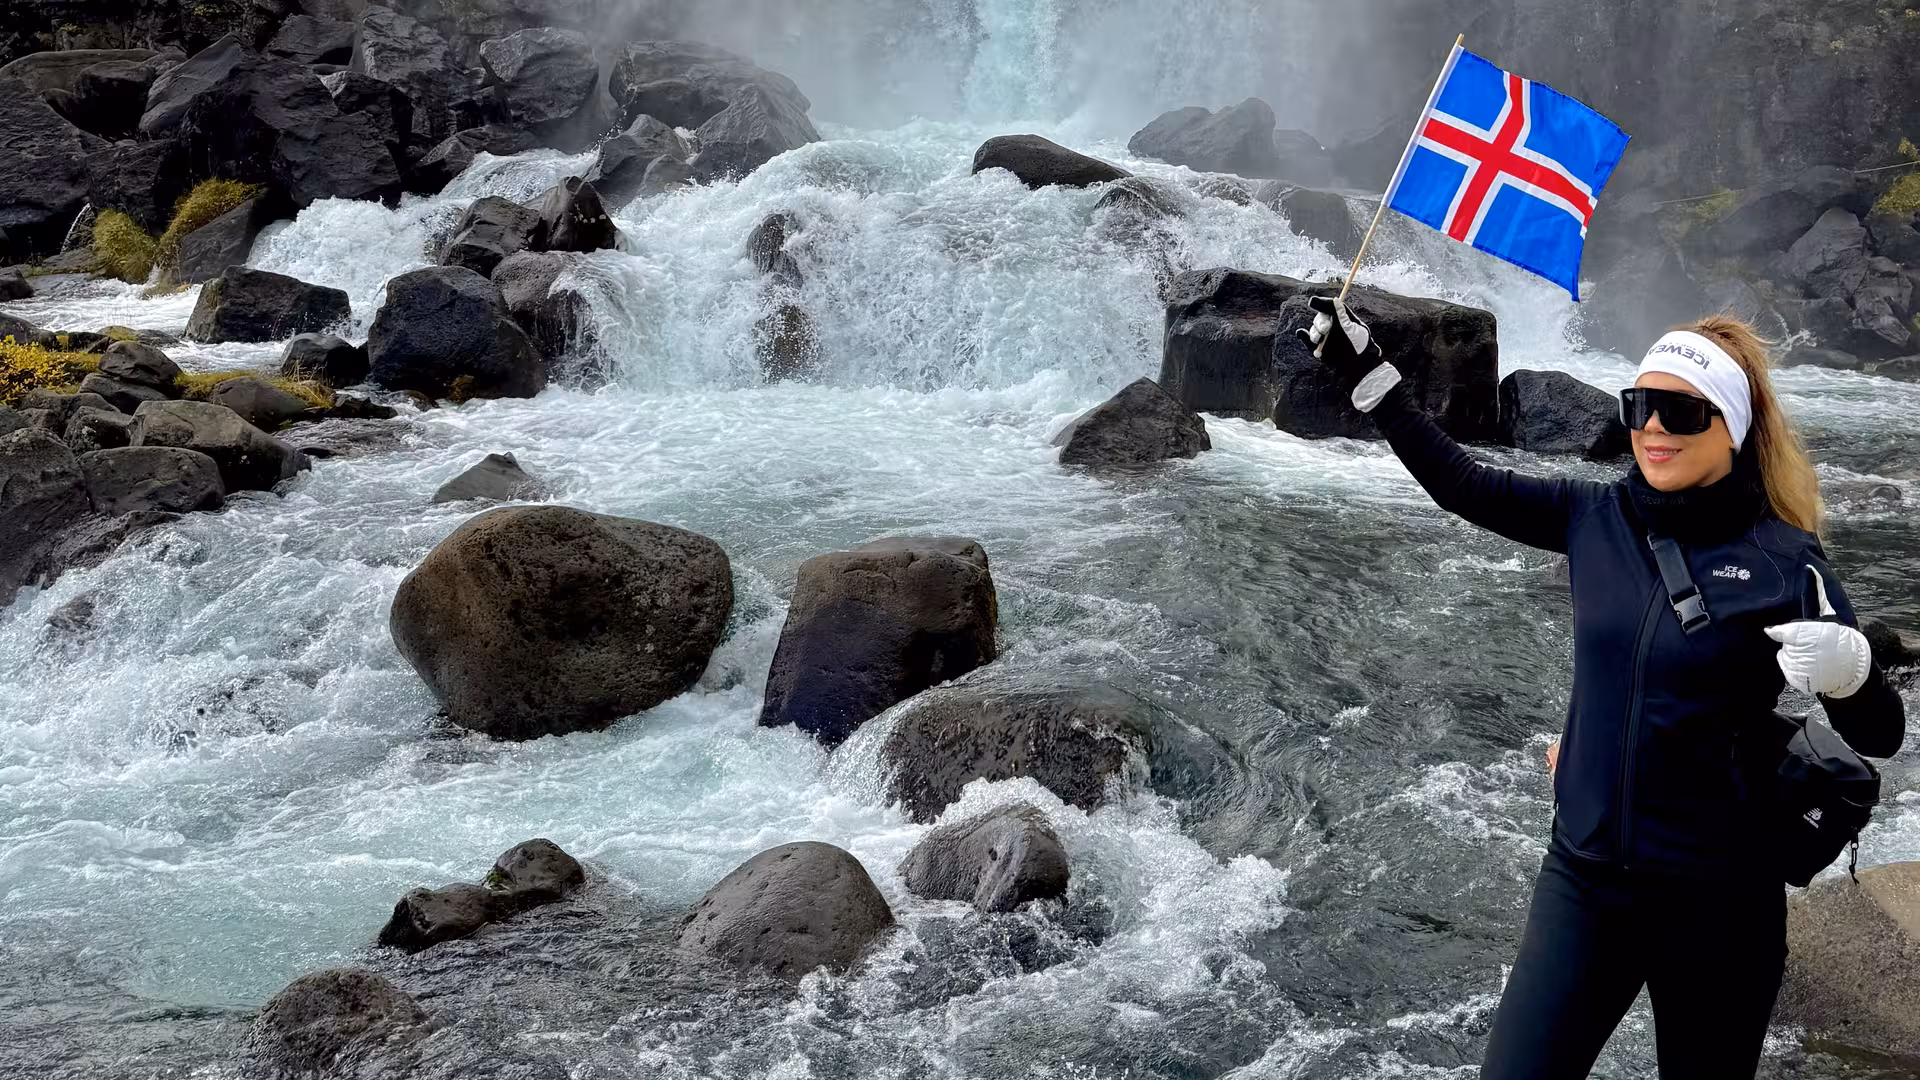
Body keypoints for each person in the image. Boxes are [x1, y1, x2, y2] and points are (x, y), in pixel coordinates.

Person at [1302, 297, 1907, 1078]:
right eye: (1640, 406)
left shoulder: (1788, 561)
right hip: (1584, 884)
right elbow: (1463, 484)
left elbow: (1882, 734)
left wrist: (1850, 672)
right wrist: (1372, 376)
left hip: (1719, 904)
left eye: (1680, 412)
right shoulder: (1595, 515)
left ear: (1730, 427)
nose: (1653, 428)